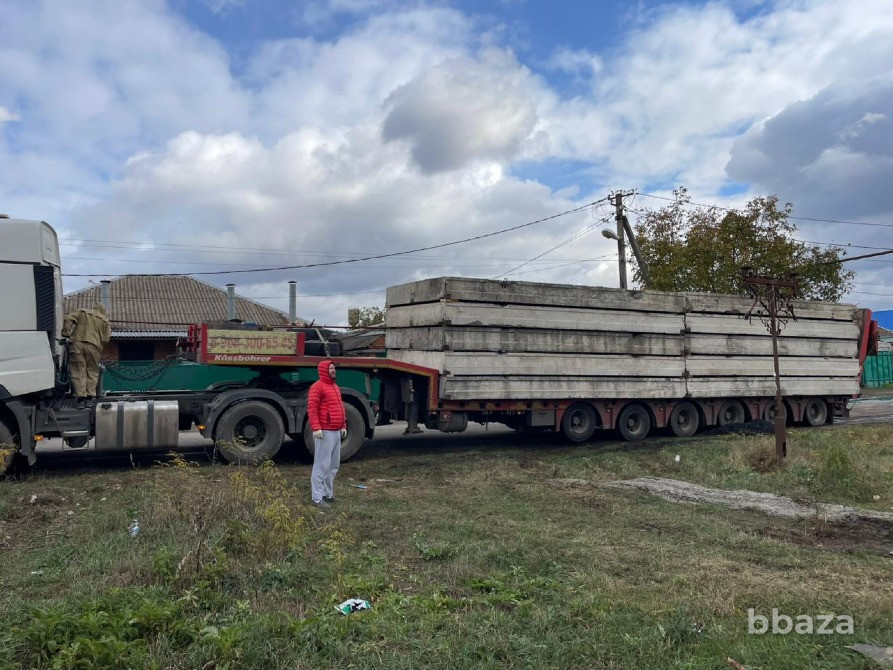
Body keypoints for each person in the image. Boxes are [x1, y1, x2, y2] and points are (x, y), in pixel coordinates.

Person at [307, 359, 347, 507]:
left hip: (336, 431)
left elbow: (340, 407)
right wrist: (316, 428)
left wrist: (343, 425)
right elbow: (312, 408)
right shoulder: (317, 387)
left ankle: (327, 494)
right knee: (321, 465)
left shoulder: (335, 387)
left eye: (334, 368)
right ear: (324, 370)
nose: (333, 370)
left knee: (333, 466)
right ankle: (317, 498)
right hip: (325, 432)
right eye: (330, 368)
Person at [62, 302, 111, 408]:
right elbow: (106, 339)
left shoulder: (81, 311)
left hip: (77, 343)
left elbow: (68, 319)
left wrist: (66, 333)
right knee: (92, 371)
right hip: (94, 346)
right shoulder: (104, 320)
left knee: (78, 370)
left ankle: (80, 399)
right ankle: (90, 398)